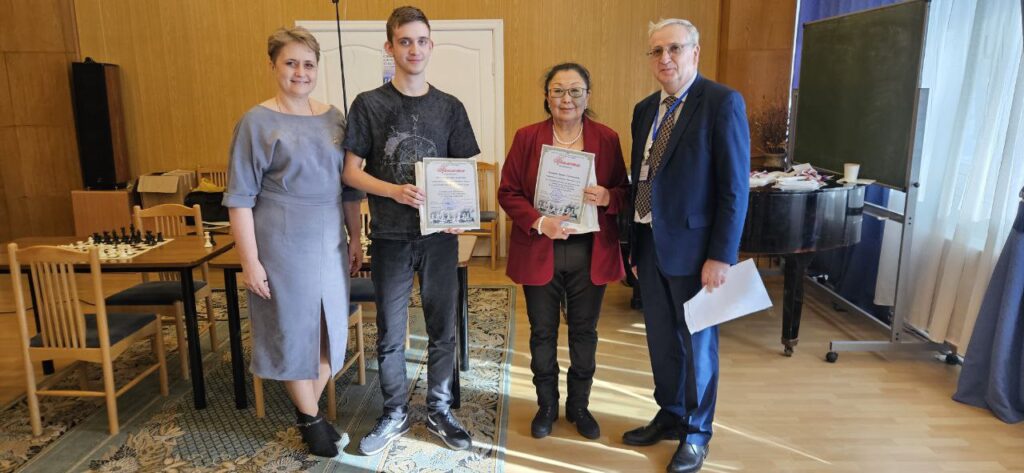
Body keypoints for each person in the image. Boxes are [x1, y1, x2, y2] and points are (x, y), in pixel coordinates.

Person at [341, 6, 479, 455]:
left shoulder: (450, 107)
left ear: (431, 46)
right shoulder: (368, 104)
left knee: (443, 328)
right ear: (390, 47)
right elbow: (351, 173)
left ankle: (439, 409)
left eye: (421, 41)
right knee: (390, 333)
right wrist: (393, 192)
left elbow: (461, 174)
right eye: (404, 41)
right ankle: (395, 411)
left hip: (440, 238)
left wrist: (460, 212)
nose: (413, 49)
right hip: (389, 237)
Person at [223, 26, 364, 458]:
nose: (300, 72)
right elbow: (239, 198)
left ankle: (308, 413)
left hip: (330, 237)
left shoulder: (334, 117)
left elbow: (349, 187)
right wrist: (250, 261)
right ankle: (312, 421)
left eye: (308, 64)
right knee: (291, 330)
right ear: (273, 66)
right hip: (280, 239)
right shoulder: (255, 122)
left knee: (329, 332)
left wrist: (356, 237)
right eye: (290, 63)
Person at [623, 19, 750, 473]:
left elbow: (734, 188)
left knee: (698, 345)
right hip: (649, 243)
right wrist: (634, 246)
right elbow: (642, 178)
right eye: (656, 51)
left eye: (674, 48)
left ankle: (697, 434)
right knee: (661, 339)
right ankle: (671, 413)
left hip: (698, 253)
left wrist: (721, 255)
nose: (665, 59)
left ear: (694, 52)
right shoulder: (644, 109)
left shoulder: (721, 103)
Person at [498, 63, 628, 440]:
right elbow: (508, 192)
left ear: (587, 96)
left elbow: (623, 190)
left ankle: (579, 406)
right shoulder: (527, 137)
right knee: (542, 332)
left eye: (574, 90)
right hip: (541, 247)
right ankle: (547, 405)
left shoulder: (606, 138)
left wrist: (608, 196)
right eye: (558, 90)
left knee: (584, 332)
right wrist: (541, 222)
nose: (566, 98)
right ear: (547, 97)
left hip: (590, 250)